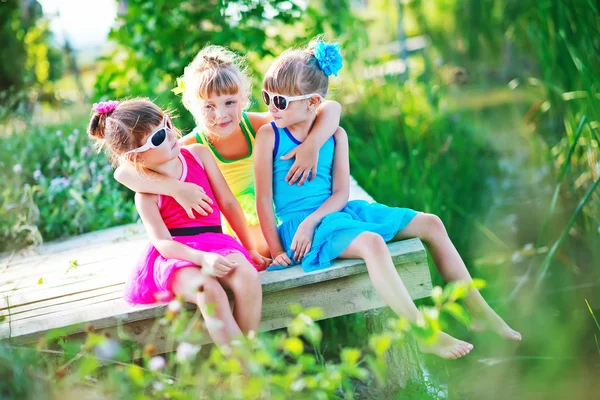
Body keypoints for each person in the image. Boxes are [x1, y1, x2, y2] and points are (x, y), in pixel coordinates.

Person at [254, 39, 521, 360]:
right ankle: (421, 331)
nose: (270, 107)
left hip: (334, 214)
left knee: (431, 223)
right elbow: (264, 199)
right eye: (267, 97)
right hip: (300, 232)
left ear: (312, 103)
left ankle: (480, 311)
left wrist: (316, 219)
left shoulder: (336, 135)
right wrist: (278, 250)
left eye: (280, 101)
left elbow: (341, 192)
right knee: (372, 244)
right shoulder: (269, 135)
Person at [114, 45, 342, 259]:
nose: (221, 115)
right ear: (192, 107)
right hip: (233, 225)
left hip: (271, 214)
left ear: (243, 99)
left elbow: (330, 107)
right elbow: (123, 173)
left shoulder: (257, 126)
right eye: (209, 106)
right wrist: (176, 188)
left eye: (229, 102)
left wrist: (312, 144)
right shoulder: (191, 145)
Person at [88, 98, 267, 346]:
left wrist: (249, 249)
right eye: (158, 138)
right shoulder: (146, 195)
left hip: (217, 242)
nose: (170, 134)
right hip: (176, 256)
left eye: (167, 123)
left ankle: (245, 366)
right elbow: (164, 244)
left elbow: (228, 204)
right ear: (137, 158)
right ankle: (249, 372)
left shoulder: (199, 155)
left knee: (247, 277)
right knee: (208, 290)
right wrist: (201, 259)